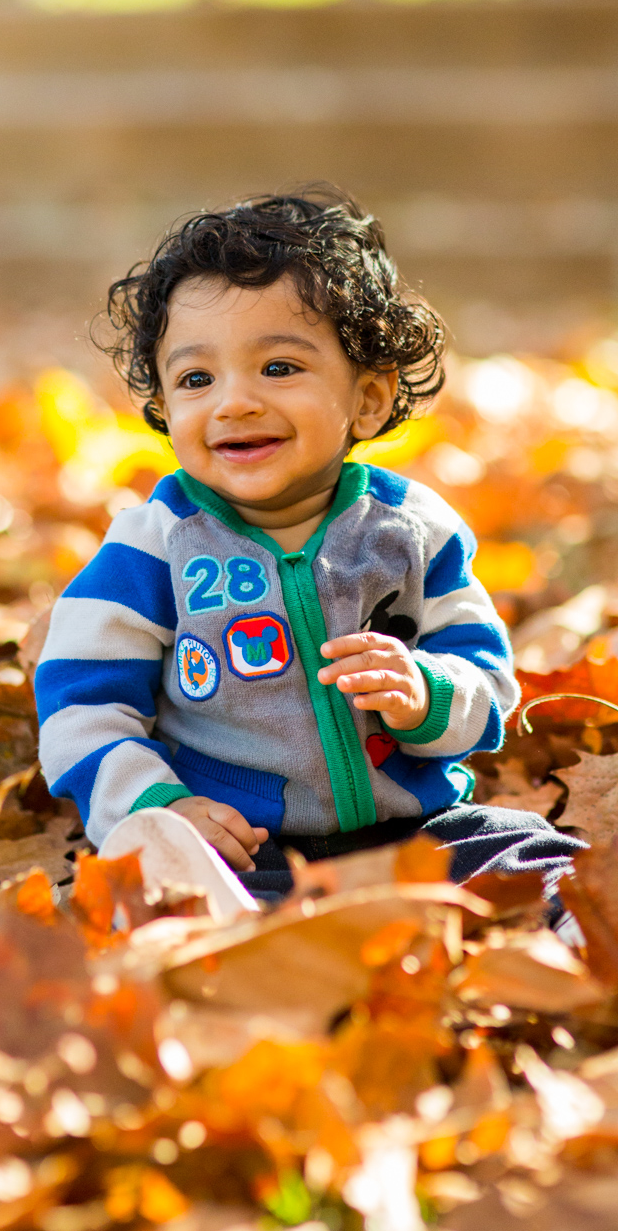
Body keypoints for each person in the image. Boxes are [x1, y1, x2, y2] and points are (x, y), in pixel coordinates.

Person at [34, 189, 583, 902]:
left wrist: (426, 694)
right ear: (166, 410)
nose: (234, 401)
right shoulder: (156, 544)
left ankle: (564, 938)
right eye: (197, 379)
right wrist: (156, 803)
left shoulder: (410, 530)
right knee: (169, 889)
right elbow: (81, 702)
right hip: (243, 848)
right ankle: (257, 962)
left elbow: (484, 674)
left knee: (535, 855)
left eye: (279, 368)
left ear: (369, 399)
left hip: (415, 834)